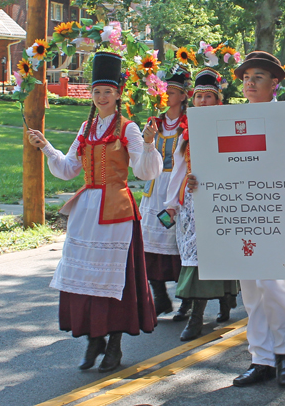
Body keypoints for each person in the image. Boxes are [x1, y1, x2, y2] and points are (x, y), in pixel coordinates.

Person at [190, 51, 285, 388]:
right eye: (246, 77)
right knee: (251, 292)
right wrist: (197, 181)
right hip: (241, 214)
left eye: (258, 77)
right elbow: (215, 167)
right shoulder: (228, 120)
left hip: (277, 215)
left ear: (274, 83)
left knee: (274, 289)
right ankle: (260, 358)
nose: (250, 82)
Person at [27, 51, 162, 372]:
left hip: (116, 209)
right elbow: (68, 168)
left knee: (116, 278)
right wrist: (46, 146)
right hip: (87, 211)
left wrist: (149, 144)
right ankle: (93, 338)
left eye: (108, 92)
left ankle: (113, 342)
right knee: (85, 276)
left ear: (118, 94)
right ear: (92, 94)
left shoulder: (128, 128)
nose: (102, 97)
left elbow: (144, 172)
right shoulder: (85, 128)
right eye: (97, 92)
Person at [164, 68, 240, 341]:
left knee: (219, 253)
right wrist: (173, 203)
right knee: (198, 257)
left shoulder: (228, 130)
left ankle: (216, 304)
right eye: (199, 97)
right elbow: (178, 170)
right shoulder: (187, 134)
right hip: (194, 203)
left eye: (209, 97)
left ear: (218, 101)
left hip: (221, 200)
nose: (204, 102)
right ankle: (200, 312)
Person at [139, 66, 193, 320]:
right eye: (165, 91)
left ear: (184, 95)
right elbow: (140, 156)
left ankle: (187, 300)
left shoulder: (190, 122)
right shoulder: (154, 123)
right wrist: (146, 141)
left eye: (173, 91)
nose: (168, 95)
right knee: (149, 245)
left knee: (182, 243)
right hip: (154, 187)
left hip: (180, 185)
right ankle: (160, 297)